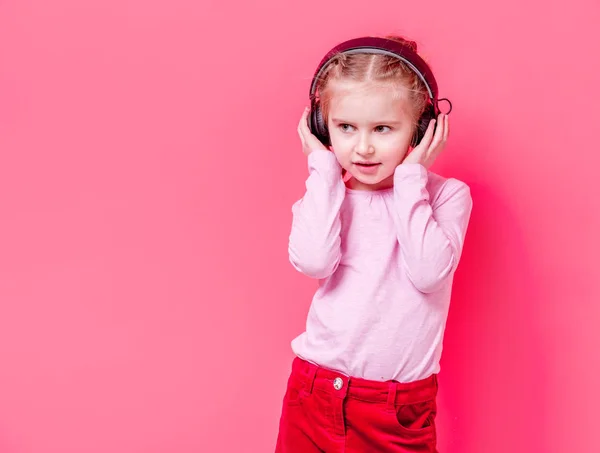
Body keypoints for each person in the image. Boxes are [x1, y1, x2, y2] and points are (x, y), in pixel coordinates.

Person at [275, 35, 473, 453]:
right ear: (320, 125)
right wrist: (323, 171)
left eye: (383, 128)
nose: (362, 148)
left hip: (396, 413)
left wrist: (409, 179)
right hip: (314, 395)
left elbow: (428, 272)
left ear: (422, 128)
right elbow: (313, 261)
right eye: (345, 127)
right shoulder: (326, 195)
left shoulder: (446, 196)